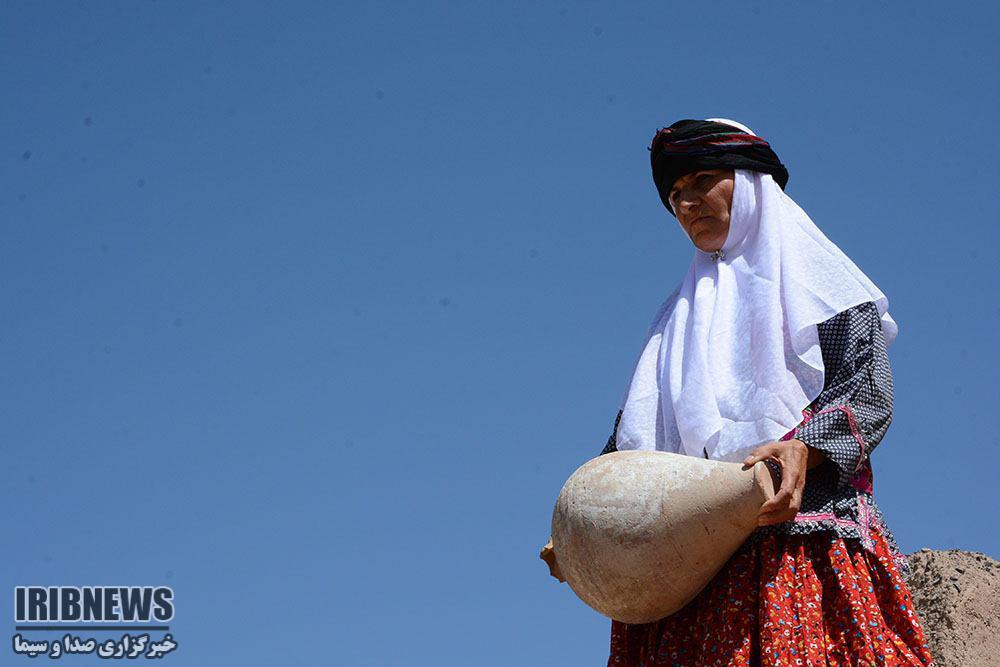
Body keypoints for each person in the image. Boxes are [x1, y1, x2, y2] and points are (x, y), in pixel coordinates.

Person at [540, 119, 934, 665]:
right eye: (675, 194)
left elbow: (865, 391)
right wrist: (587, 529)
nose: (688, 202)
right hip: (685, 570)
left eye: (704, 179)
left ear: (751, 184)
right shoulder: (675, 321)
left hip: (796, 545)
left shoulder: (826, 287)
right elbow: (633, 450)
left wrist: (804, 447)